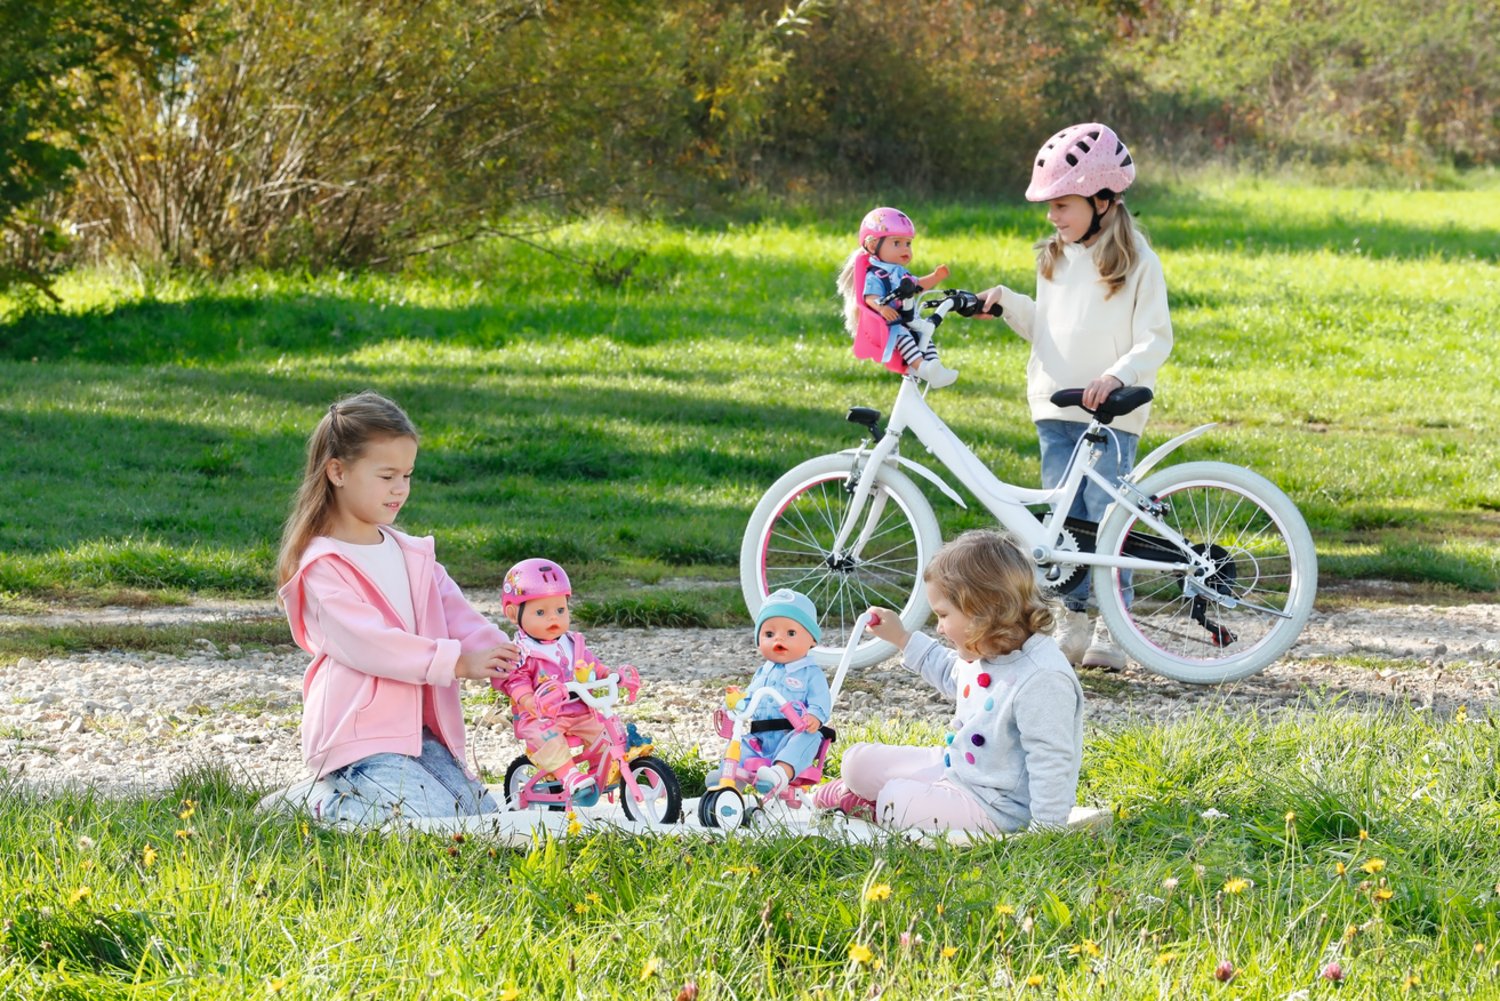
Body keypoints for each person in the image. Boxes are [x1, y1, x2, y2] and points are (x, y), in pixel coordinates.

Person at [977, 123, 1173, 670]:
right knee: (1064, 527)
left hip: (1110, 413)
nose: (1052, 217)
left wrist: (1116, 375)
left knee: (1106, 519)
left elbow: (1155, 338)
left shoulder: (1138, 262)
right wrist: (1005, 303)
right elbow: (1048, 329)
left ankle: (1114, 624)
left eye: (1062, 205)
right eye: (1050, 206)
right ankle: (1074, 620)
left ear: (1102, 200)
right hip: (1056, 406)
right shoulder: (1055, 259)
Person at [276, 391, 519, 826]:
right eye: (387, 476)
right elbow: (371, 643)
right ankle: (317, 801)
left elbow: (458, 616)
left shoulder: (412, 554)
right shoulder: (323, 566)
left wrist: (512, 662)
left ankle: (365, 795)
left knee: (478, 817)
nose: (400, 489)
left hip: (420, 734)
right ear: (337, 472)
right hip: (358, 738)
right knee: (423, 822)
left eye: (407, 475)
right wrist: (457, 663)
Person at [812, 531, 1084, 832]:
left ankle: (872, 805)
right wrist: (901, 638)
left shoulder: (1043, 678)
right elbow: (947, 670)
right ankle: (868, 796)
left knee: (896, 799)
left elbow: (1052, 761)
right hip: (956, 768)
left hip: (996, 806)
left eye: (943, 615)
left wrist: (1047, 829)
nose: (939, 628)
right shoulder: (988, 646)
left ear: (982, 611)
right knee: (856, 763)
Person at [495, 557, 634, 807]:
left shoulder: (571, 642)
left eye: (560, 610)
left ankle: (601, 770)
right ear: (513, 614)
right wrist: (529, 700)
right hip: (541, 715)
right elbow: (515, 680)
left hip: (579, 710)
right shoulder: (521, 652)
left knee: (604, 731)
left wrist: (609, 675)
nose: (553, 618)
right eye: (541, 612)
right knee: (549, 739)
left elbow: (590, 665)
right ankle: (569, 775)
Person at [712, 589, 833, 796]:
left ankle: (779, 774)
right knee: (741, 744)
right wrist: (734, 705)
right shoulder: (763, 672)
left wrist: (814, 716)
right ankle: (729, 783)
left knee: (809, 739)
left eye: (791, 633)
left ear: (812, 640)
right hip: (760, 738)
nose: (779, 639)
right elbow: (749, 698)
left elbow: (821, 700)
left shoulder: (810, 673)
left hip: (793, 733)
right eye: (769, 634)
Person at [837, 205, 958, 388]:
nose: (905, 249)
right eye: (897, 243)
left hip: (907, 318)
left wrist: (935, 277)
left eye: (908, 244)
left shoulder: (899, 272)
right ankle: (922, 367)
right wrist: (882, 308)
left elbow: (917, 286)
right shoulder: (876, 275)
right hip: (889, 325)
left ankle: (936, 368)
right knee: (905, 337)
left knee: (924, 334)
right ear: (872, 245)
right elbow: (869, 298)